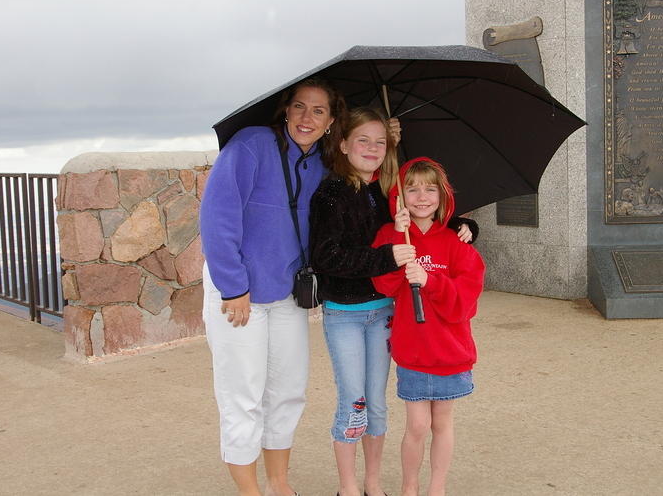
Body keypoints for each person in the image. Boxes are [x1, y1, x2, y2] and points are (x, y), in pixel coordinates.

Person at [310, 112, 475, 496]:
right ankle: (348, 487)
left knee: (378, 405)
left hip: (383, 313)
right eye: (362, 140)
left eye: (379, 142)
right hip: (347, 313)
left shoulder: (384, 193)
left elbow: (426, 209)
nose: (371, 148)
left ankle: (372, 483)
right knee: (355, 400)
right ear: (344, 144)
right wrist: (390, 256)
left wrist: (464, 227)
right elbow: (329, 257)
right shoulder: (331, 193)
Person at [200, 77, 346, 496]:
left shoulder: (325, 161)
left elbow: (369, 182)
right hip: (239, 292)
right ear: (285, 109)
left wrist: (387, 140)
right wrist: (232, 287)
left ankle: (279, 484)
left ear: (331, 120)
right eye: (299, 106)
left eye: (319, 110)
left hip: (286, 294)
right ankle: (251, 492)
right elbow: (217, 217)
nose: (307, 117)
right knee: (242, 395)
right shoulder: (250, 145)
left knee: (287, 391)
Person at [371, 157, 485, 496]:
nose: (422, 197)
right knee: (417, 425)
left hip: (450, 348)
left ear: (443, 196)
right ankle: (410, 488)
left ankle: (437, 488)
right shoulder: (391, 235)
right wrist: (397, 242)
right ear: (399, 197)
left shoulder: (455, 241)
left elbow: (466, 301)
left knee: (441, 423)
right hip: (414, 349)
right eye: (413, 189)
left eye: (430, 189)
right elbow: (384, 285)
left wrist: (430, 280)